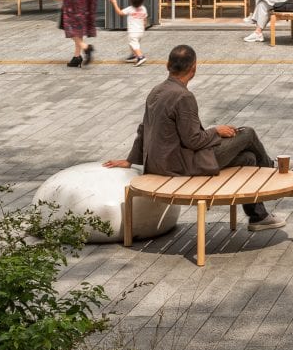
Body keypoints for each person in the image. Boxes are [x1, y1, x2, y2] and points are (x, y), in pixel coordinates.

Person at [103, 44, 283, 230]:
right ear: (194, 68)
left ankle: (258, 217)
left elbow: (143, 128)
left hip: (159, 162)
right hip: (179, 163)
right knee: (247, 134)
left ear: (167, 66)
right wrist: (216, 131)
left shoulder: (156, 91)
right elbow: (193, 140)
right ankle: (272, 170)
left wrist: (130, 160)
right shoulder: (183, 97)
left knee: (249, 158)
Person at [122, 0, 149, 65]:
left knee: (134, 44)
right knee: (133, 44)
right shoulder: (144, 8)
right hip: (140, 31)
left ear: (131, 1)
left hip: (133, 32)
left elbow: (119, 12)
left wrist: (114, 2)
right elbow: (145, 19)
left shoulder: (130, 9)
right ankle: (133, 55)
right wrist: (144, 26)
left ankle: (140, 57)